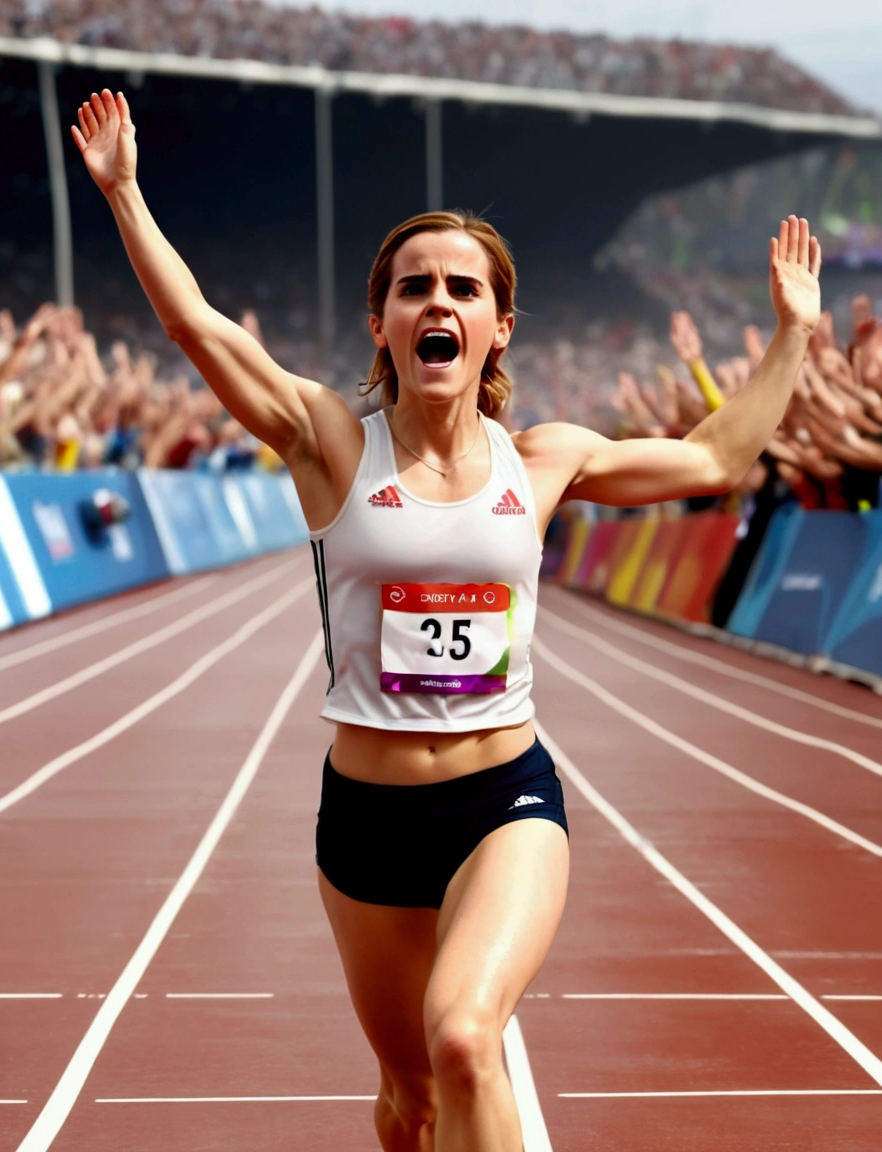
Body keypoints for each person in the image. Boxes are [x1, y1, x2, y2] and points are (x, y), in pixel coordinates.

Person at [72, 88, 822, 1152]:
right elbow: (197, 326)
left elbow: (711, 457)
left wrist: (789, 334)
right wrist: (125, 195)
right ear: (381, 320)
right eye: (413, 286)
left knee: (467, 1037)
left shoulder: (545, 458)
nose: (439, 301)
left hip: (502, 798)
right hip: (366, 824)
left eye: (462, 288)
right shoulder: (328, 441)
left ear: (496, 324)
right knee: (411, 1097)